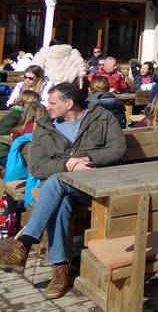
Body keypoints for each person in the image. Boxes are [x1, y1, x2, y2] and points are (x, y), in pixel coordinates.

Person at [0, 82, 125, 298]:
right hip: (60, 190)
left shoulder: (101, 117)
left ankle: (25, 243)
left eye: (52, 102)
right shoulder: (44, 127)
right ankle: (60, 269)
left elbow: (118, 149)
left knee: (55, 184)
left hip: (95, 186)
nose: (47, 106)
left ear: (68, 103)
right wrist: (68, 164)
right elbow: (36, 167)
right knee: (60, 198)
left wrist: (87, 158)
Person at [0, 89, 41, 161]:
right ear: (26, 103)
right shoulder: (15, 114)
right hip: (4, 152)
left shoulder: (22, 114)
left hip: (13, 150)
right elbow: (2, 131)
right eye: (35, 105)